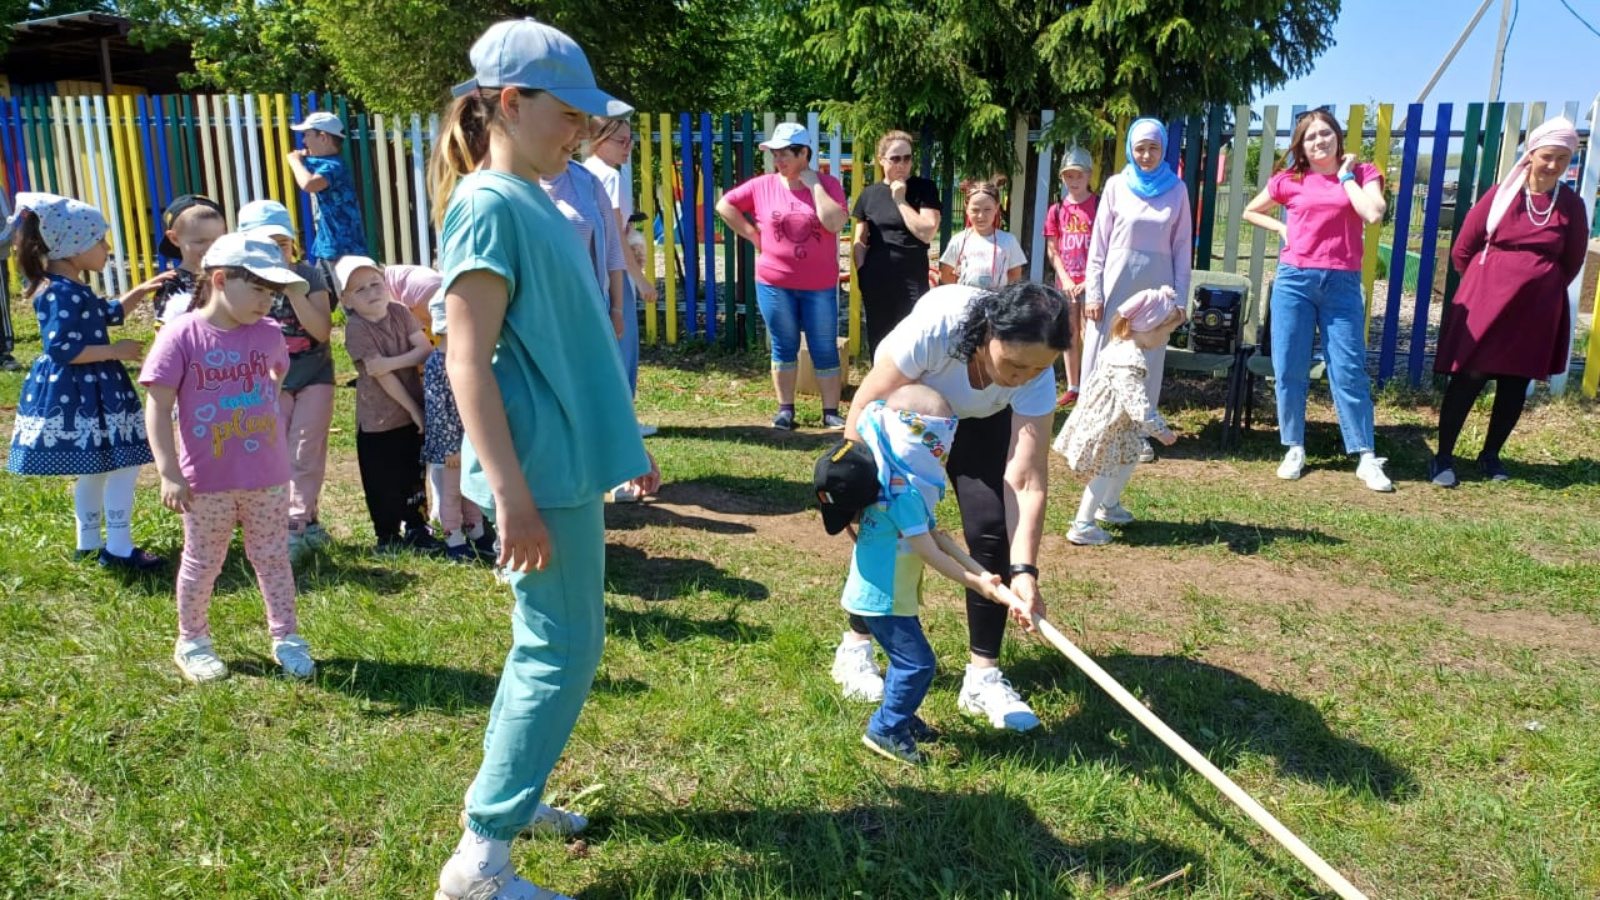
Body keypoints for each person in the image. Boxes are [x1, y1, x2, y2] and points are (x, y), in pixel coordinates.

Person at [426, 19, 659, 900]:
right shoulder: (489, 204)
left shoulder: (537, 197)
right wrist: (514, 497)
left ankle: (510, 805)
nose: (582, 133)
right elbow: (465, 360)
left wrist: (621, 445)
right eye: (568, 115)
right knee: (560, 651)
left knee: (551, 645)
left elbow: (566, 343)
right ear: (509, 104)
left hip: (563, 460)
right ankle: (481, 858)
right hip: (540, 473)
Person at [832, 281, 1067, 732]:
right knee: (887, 530)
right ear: (988, 333)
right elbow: (867, 401)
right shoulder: (938, 329)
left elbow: (1028, 477)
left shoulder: (1036, 371)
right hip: (911, 411)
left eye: (1037, 370)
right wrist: (853, 486)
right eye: (1014, 364)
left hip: (981, 422)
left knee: (992, 526)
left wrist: (1024, 573)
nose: (1022, 378)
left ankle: (982, 678)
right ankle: (857, 646)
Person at [139, 232, 314, 683]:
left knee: (273, 557)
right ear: (219, 279)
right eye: (257, 289)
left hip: (267, 477)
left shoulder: (270, 334)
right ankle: (192, 640)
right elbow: (158, 404)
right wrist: (168, 471)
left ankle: (286, 636)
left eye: (272, 293)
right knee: (203, 562)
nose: (267, 303)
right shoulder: (182, 334)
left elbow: (273, 382)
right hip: (206, 482)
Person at [822, 385, 1004, 764]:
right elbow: (929, 552)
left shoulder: (896, 486)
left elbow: (934, 535)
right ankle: (886, 727)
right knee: (917, 664)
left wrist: (975, 568)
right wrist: (976, 582)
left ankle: (901, 716)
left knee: (906, 660)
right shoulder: (903, 496)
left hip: (887, 594)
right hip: (883, 599)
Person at [5, 193, 171, 570]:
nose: (107, 248)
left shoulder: (67, 287)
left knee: (95, 467)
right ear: (73, 246)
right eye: (99, 240)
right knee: (122, 465)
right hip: (85, 390)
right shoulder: (61, 292)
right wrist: (117, 351)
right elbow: (63, 348)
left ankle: (90, 543)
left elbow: (108, 313)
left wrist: (141, 292)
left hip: (90, 388)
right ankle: (120, 547)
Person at [1430, 117, 1588, 487]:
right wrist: (1491, 282)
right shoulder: (1501, 195)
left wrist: (1539, 285)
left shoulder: (1571, 205)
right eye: (1548, 156)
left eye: (1563, 159)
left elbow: (1572, 260)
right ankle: (1443, 457)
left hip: (1536, 310)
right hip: (1488, 301)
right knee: (1469, 376)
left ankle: (1491, 455)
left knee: (1515, 383)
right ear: (1531, 154)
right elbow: (1463, 249)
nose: (1553, 165)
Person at [1241, 109, 1392, 491]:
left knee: (1349, 368)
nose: (1319, 141)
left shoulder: (1362, 173)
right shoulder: (1289, 180)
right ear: (1301, 147)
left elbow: (1373, 213)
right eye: (1310, 137)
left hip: (1342, 284)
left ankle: (1364, 455)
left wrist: (1344, 179)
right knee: (1289, 366)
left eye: (1325, 134)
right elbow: (1250, 211)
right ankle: (1294, 446)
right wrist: (1281, 227)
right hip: (1295, 281)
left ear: (1337, 137)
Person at [716, 121, 850, 430]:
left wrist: (814, 184)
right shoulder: (763, 185)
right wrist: (752, 235)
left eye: (784, 155)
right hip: (775, 284)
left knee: (824, 346)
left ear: (804, 153)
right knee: (783, 344)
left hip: (818, 285)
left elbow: (833, 223)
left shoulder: (828, 185)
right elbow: (725, 205)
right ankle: (785, 410)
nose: (778, 162)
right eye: (775, 155)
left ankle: (830, 412)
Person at [1081, 118, 1193, 463]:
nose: (1146, 154)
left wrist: (1179, 299)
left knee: (1148, 356)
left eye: (1153, 147)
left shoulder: (1177, 190)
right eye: (1140, 147)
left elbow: (1182, 248)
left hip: (1156, 285)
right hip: (1117, 281)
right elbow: (1098, 244)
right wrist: (1094, 294)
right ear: (1131, 148)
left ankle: (1138, 432)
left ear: (1164, 150)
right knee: (1103, 350)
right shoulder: (1116, 185)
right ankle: (1092, 425)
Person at [539, 145, 641, 501]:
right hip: (539, 319)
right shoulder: (514, 181)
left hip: (589, 311)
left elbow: (612, 248)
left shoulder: (586, 181)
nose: (571, 135)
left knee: (600, 389)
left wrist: (615, 307)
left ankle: (612, 472)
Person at [237, 199, 338, 557]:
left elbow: (322, 331)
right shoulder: (244, 283)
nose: (275, 251)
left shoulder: (309, 276)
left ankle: (295, 525)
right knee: (275, 451)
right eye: (264, 244)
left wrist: (295, 291)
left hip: (314, 376)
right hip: (268, 382)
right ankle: (301, 521)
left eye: (280, 243)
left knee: (306, 451)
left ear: (292, 242)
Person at [1053, 288, 1185, 546]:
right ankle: (1083, 525)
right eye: (1165, 332)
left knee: (1127, 459)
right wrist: (1161, 430)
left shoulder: (1120, 346)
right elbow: (1138, 405)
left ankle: (1109, 505)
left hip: (1119, 426)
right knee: (1104, 471)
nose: (1166, 338)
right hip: (1107, 427)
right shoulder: (1127, 360)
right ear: (1148, 326)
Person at [337, 255, 441, 554]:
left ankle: (417, 526)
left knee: (413, 473)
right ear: (346, 300)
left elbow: (423, 350)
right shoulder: (356, 327)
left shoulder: (400, 312)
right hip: (378, 418)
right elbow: (381, 377)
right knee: (381, 477)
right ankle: (387, 535)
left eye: (376, 283)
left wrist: (389, 363)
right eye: (360, 290)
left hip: (412, 412)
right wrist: (412, 408)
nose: (372, 292)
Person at [584, 114, 660, 426]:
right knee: (624, 348)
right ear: (598, 139)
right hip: (615, 275)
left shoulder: (581, 171)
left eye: (630, 140)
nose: (628, 147)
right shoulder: (611, 177)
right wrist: (640, 280)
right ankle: (624, 422)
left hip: (591, 273)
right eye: (621, 141)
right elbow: (616, 235)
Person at [851, 130, 941, 357]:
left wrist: (900, 200)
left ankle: (908, 391)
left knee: (911, 340)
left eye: (907, 158)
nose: (902, 164)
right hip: (877, 277)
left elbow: (927, 232)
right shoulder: (869, 194)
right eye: (895, 158)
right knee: (879, 338)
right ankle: (881, 390)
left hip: (912, 276)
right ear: (881, 160)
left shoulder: (924, 188)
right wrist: (862, 271)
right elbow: (860, 239)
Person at [421, 285, 493, 562]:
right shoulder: (438, 365)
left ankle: (475, 530)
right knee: (451, 493)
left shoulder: (469, 360)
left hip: (469, 441)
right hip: (450, 447)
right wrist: (452, 448)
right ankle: (453, 538)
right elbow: (440, 411)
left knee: (471, 488)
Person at [1043, 148, 1099, 406]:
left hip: (1092, 281)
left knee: (1091, 333)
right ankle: (1073, 385)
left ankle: (1091, 384)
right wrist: (1065, 278)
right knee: (1069, 333)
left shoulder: (1098, 205)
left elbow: (1107, 246)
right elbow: (1053, 249)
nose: (1074, 181)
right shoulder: (1056, 210)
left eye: (1079, 175)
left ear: (1088, 175)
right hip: (1066, 283)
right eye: (1069, 176)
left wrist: (1090, 280)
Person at [286, 111, 369, 269]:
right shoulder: (323, 163)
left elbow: (309, 184)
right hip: (328, 245)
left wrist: (294, 162)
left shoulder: (333, 166)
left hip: (343, 249)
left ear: (323, 137)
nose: (303, 141)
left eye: (307, 135)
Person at [152, 194, 227, 325]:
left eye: (217, 239)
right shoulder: (173, 284)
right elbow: (164, 332)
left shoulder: (233, 275)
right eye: (200, 241)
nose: (210, 247)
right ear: (174, 239)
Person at [938, 181, 1025, 289]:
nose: (981, 216)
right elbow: (945, 274)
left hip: (997, 303)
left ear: (997, 207)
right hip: (967, 302)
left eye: (987, 209)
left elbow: (1015, 275)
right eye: (975, 210)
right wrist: (964, 291)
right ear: (966, 208)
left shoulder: (1008, 240)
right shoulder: (958, 240)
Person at [383, 263, 444, 335]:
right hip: (437, 284)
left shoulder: (382, 283)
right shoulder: (394, 270)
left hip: (421, 292)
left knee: (434, 329)